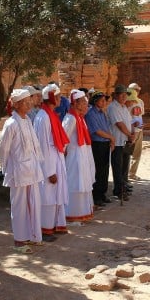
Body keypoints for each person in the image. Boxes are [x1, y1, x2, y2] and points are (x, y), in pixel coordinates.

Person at [0, 89, 45, 254]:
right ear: (16, 104)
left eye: (29, 101)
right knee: (19, 206)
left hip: (31, 170)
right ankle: (19, 240)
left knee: (33, 203)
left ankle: (33, 235)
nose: (29, 104)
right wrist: (6, 169)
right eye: (25, 101)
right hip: (18, 171)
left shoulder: (27, 121)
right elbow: (3, 150)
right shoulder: (11, 124)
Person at [33, 83, 70, 240]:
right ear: (51, 97)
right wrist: (49, 171)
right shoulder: (43, 118)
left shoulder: (51, 115)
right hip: (48, 165)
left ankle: (55, 225)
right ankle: (44, 229)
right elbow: (42, 147)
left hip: (56, 159)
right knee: (47, 196)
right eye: (58, 96)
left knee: (55, 196)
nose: (60, 99)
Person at [62, 90, 96, 223]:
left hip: (83, 156)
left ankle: (83, 212)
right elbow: (64, 139)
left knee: (84, 183)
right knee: (75, 184)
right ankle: (72, 214)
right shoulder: (70, 119)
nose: (85, 104)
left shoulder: (80, 118)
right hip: (74, 157)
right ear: (75, 103)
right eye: (82, 102)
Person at [85, 91, 114, 207]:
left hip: (105, 143)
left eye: (105, 100)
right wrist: (111, 137)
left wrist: (111, 139)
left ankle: (102, 193)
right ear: (95, 101)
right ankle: (96, 195)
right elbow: (96, 131)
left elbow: (106, 127)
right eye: (102, 100)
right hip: (97, 144)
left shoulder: (103, 113)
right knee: (98, 170)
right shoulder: (91, 113)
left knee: (105, 170)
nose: (104, 102)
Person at [108, 84, 135, 202]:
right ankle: (119, 191)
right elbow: (119, 124)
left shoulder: (123, 107)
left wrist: (132, 134)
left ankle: (123, 186)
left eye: (126, 95)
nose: (124, 97)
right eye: (122, 95)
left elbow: (129, 122)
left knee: (124, 166)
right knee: (118, 167)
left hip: (125, 141)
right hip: (117, 141)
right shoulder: (113, 107)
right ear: (116, 96)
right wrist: (130, 135)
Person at [127, 83, 145, 180]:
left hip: (139, 129)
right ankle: (126, 174)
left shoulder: (140, 102)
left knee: (137, 153)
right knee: (127, 152)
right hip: (129, 130)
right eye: (134, 90)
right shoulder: (126, 102)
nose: (137, 91)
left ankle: (132, 173)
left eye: (138, 90)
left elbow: (140, 115)